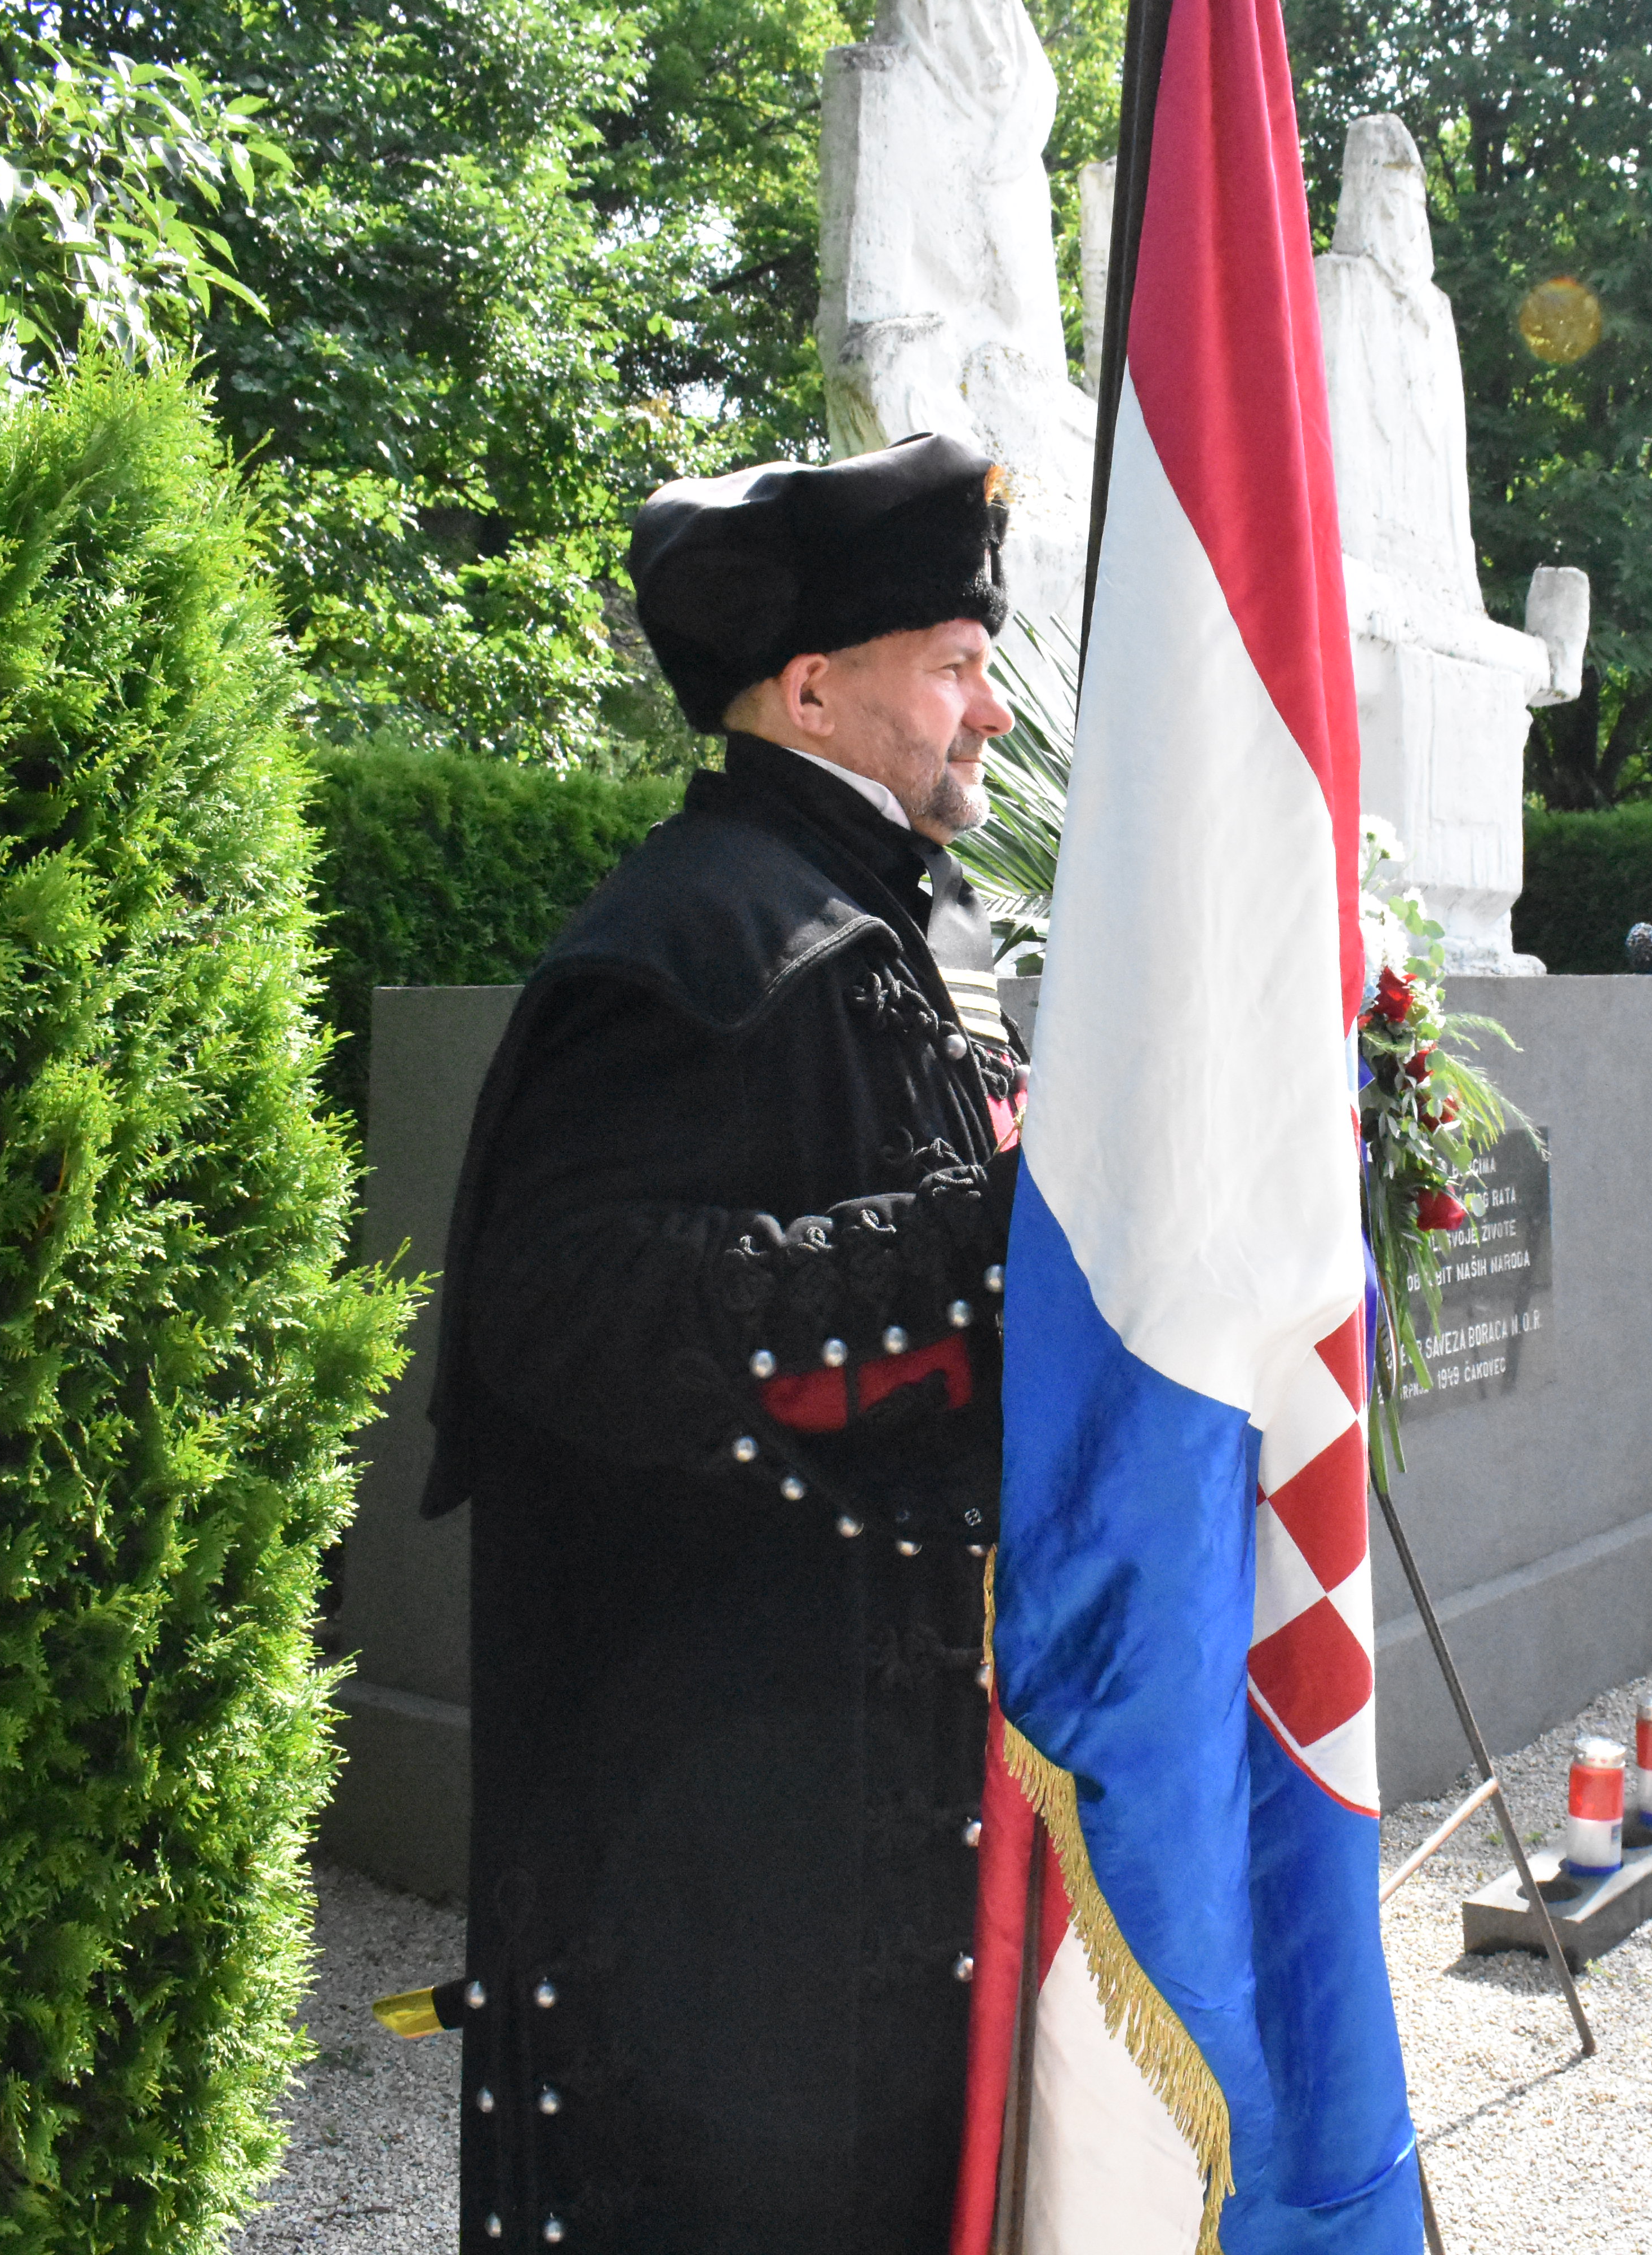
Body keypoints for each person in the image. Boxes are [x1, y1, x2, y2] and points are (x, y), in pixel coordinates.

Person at [419, 434, 1026, 2250]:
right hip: (721, 1880)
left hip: (856, 1824)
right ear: (817, 685)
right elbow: (564, 1309)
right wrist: (983, 1235)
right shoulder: (685, 941)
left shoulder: (888, 931)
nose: (986, 712)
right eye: (953, 666)